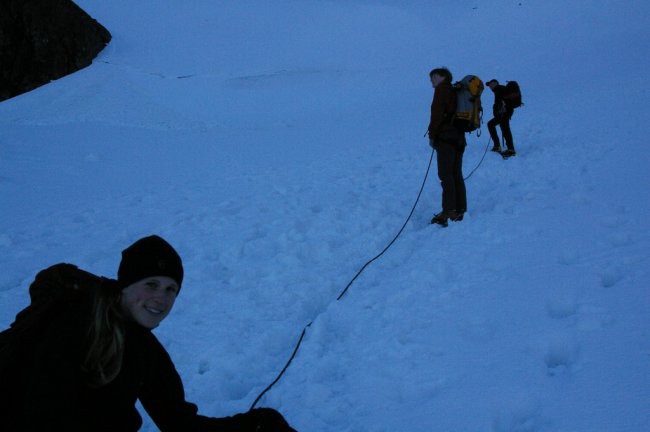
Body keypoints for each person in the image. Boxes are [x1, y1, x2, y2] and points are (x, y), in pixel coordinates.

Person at [0, 235, 297, 432]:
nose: (161, 298)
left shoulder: (142, 347)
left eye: (171, 290)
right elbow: (41, 416)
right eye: (151, 284)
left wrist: (256, 425)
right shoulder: (73, 326)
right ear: (125, 285)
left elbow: (178, 422)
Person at [427, 67, 467, 227]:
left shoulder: (441, 90)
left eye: (432, 78)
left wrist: (432, 135)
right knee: (456, 173)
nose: (431, 81)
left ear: (440, 76)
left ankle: (449, 211)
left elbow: (436, 114)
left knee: (445, 175)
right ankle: (460, 208)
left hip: (445, 138)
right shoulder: (454, 90)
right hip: (458, 139)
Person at [486, 79, 516, 157]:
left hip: (504, 113)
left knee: (504, 128)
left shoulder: (500, 89)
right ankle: (499, 146)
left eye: (491, 84)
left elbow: (502, 102)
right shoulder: (498, 90)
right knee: (494, 125)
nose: (490, 86)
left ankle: (510, 149)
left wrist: (501, 109)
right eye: (489, 85)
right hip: (504, 113)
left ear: (496, 83)